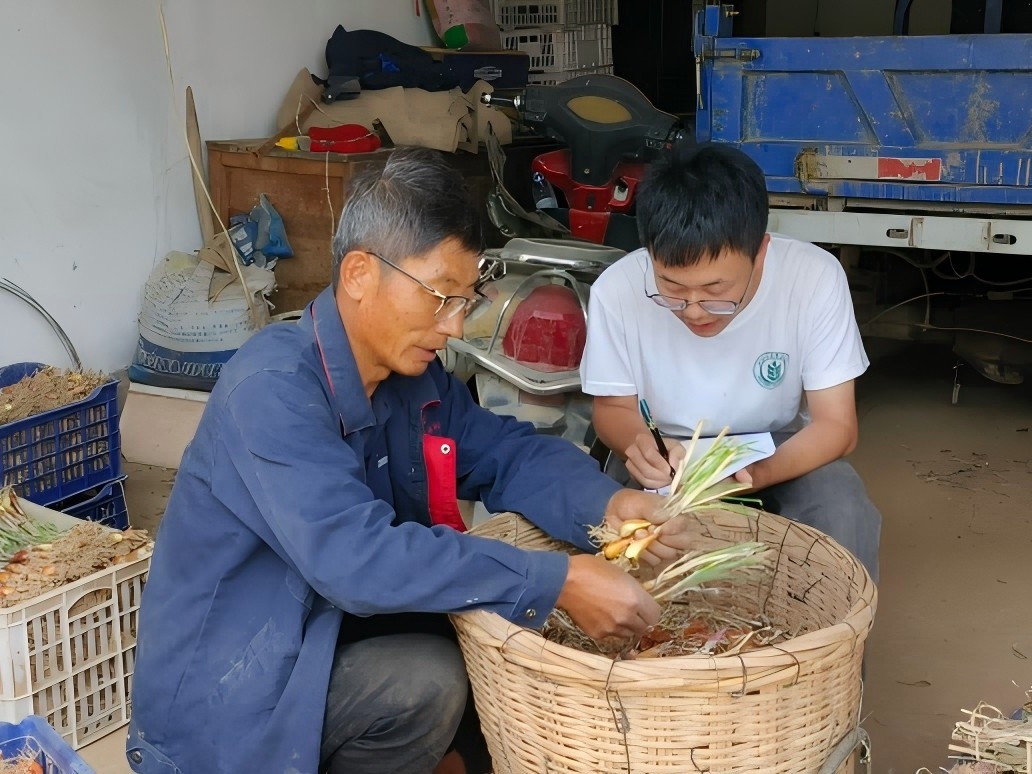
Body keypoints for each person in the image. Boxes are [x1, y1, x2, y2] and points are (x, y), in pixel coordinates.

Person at [126, 148, 672, 774]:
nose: (456, 326)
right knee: (430, 678)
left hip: (328, 643)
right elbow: (356, 560)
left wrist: (610, 504)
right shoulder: (271, 388)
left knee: (474, 656)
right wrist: (560, 580)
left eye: (465, 300)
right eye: (441, 298)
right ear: (359, 273)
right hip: (236, 690)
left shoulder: (411, 378)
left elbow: (504, 452)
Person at [580, 142, 881, 580]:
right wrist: (638, 446)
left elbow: (836, 426)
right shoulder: (617, 289)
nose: (695, 310)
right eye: (672, 289)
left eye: (716, 291)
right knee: (622, 541)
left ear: (760, 251)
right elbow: (614, 409)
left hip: (773, 445)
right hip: (667, 451)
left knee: (842, 508)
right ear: (648, 252)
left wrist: (759, 472)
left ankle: (838, 648)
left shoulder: (814, 278)